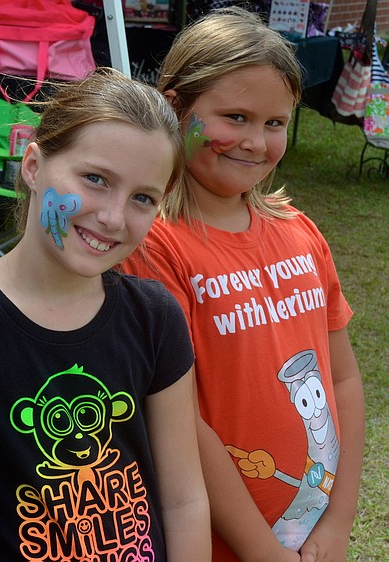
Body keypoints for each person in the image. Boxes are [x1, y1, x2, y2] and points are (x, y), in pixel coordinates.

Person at [0, 68, 211, 561]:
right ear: (33, 166)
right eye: (95, 179)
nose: (114, 217)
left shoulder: (155, 318)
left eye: (142, 198)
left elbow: (184, 499)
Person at [122, 8, 365, 562]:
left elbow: (344, 380)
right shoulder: (155, 245)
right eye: (235, 116)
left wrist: (340, 520)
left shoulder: (300, 233)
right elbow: (179, 419)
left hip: (312, 532)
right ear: (176, 105)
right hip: (215, 542)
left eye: (275, 123)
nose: (255, 142)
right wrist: (263, 550)